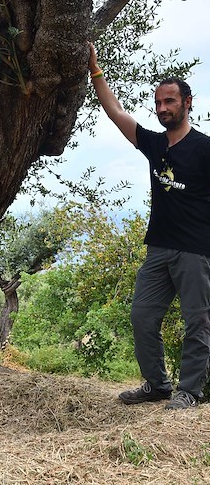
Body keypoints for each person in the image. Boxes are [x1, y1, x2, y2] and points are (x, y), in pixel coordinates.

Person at [88, 43, 210, 410]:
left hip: (195, 250)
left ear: (187, 103)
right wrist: (95, 70)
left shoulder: (205, 149)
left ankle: (189, 392)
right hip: (158, 248)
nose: (162, 109)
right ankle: (157, 386)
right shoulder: (154, 145)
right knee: (142, 316)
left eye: (170, 101)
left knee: (197, 323)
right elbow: (114, 112)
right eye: (158, 103)